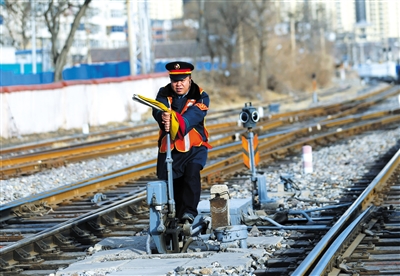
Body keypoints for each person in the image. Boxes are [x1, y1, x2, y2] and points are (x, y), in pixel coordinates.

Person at [152, 61, 212, 223]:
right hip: (171, 149)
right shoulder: (163, 93)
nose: (178, 84)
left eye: (182, 80)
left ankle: (190, 213)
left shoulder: (201, 95)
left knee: (192, 174)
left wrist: (173, 120)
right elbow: (158, 108)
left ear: (189, 79)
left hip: (194, 148)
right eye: (174, 81)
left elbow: (194, 116)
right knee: (176, 183)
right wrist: (161, 117)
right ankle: (178, 218)